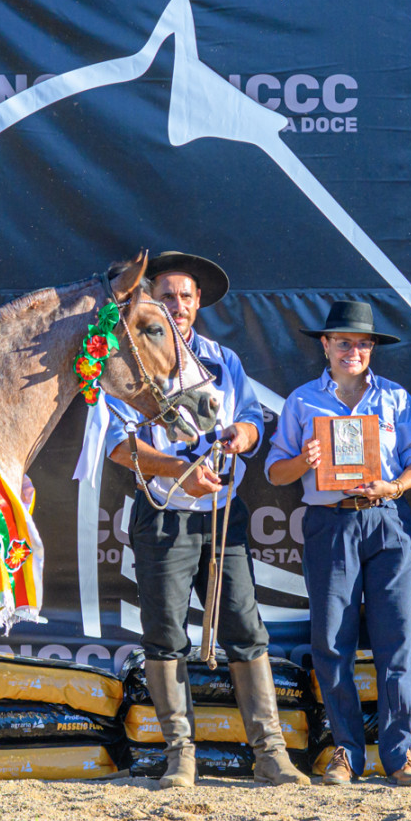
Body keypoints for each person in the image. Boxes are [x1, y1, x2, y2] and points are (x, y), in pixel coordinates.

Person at [101, 252, 307, 788]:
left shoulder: (223, 360)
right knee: (166, 634)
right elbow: (119, 447)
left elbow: (251, 421)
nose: (177, 306)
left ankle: (270, 754)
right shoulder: (130, 359)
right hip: (165, 514)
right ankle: (180, 756)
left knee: (244, 625)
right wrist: (180, 471)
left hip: (221, 515)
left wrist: (244, 436)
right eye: (166, 297)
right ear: (151, 303)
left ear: (198, 304)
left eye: (185, 297)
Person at [265, 300, 411, 787]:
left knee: (398, 640)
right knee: (331, 640)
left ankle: (399, 755)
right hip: (329, 523)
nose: (353, 351)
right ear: (325, 345)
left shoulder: (396, 399)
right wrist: (304, 459)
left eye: (362, 343)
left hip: (388, 520)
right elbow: (276, 472)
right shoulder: (302, 401)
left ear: (372, 350)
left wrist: (395, 486)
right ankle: (346, 752)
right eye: (343, 342)